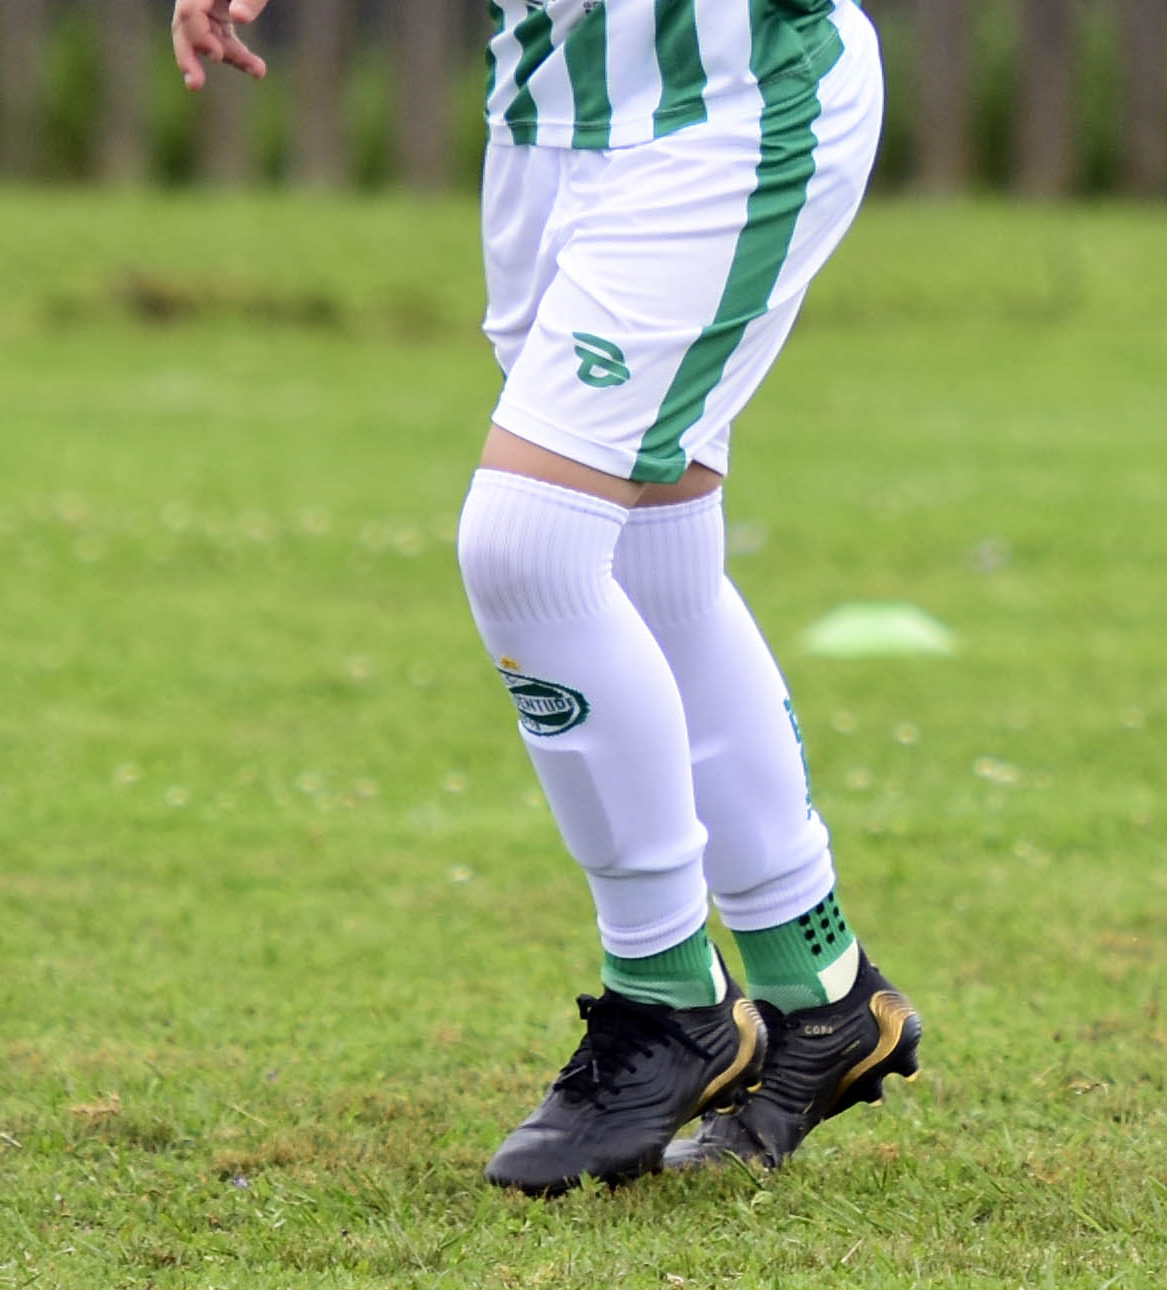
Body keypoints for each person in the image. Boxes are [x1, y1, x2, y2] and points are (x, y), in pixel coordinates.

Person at [172, 0, 920, 1194]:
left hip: (734, 101)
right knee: (646, 553)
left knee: (526, 545)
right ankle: (820, 993)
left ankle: (669, 1002)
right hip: (547, 117)